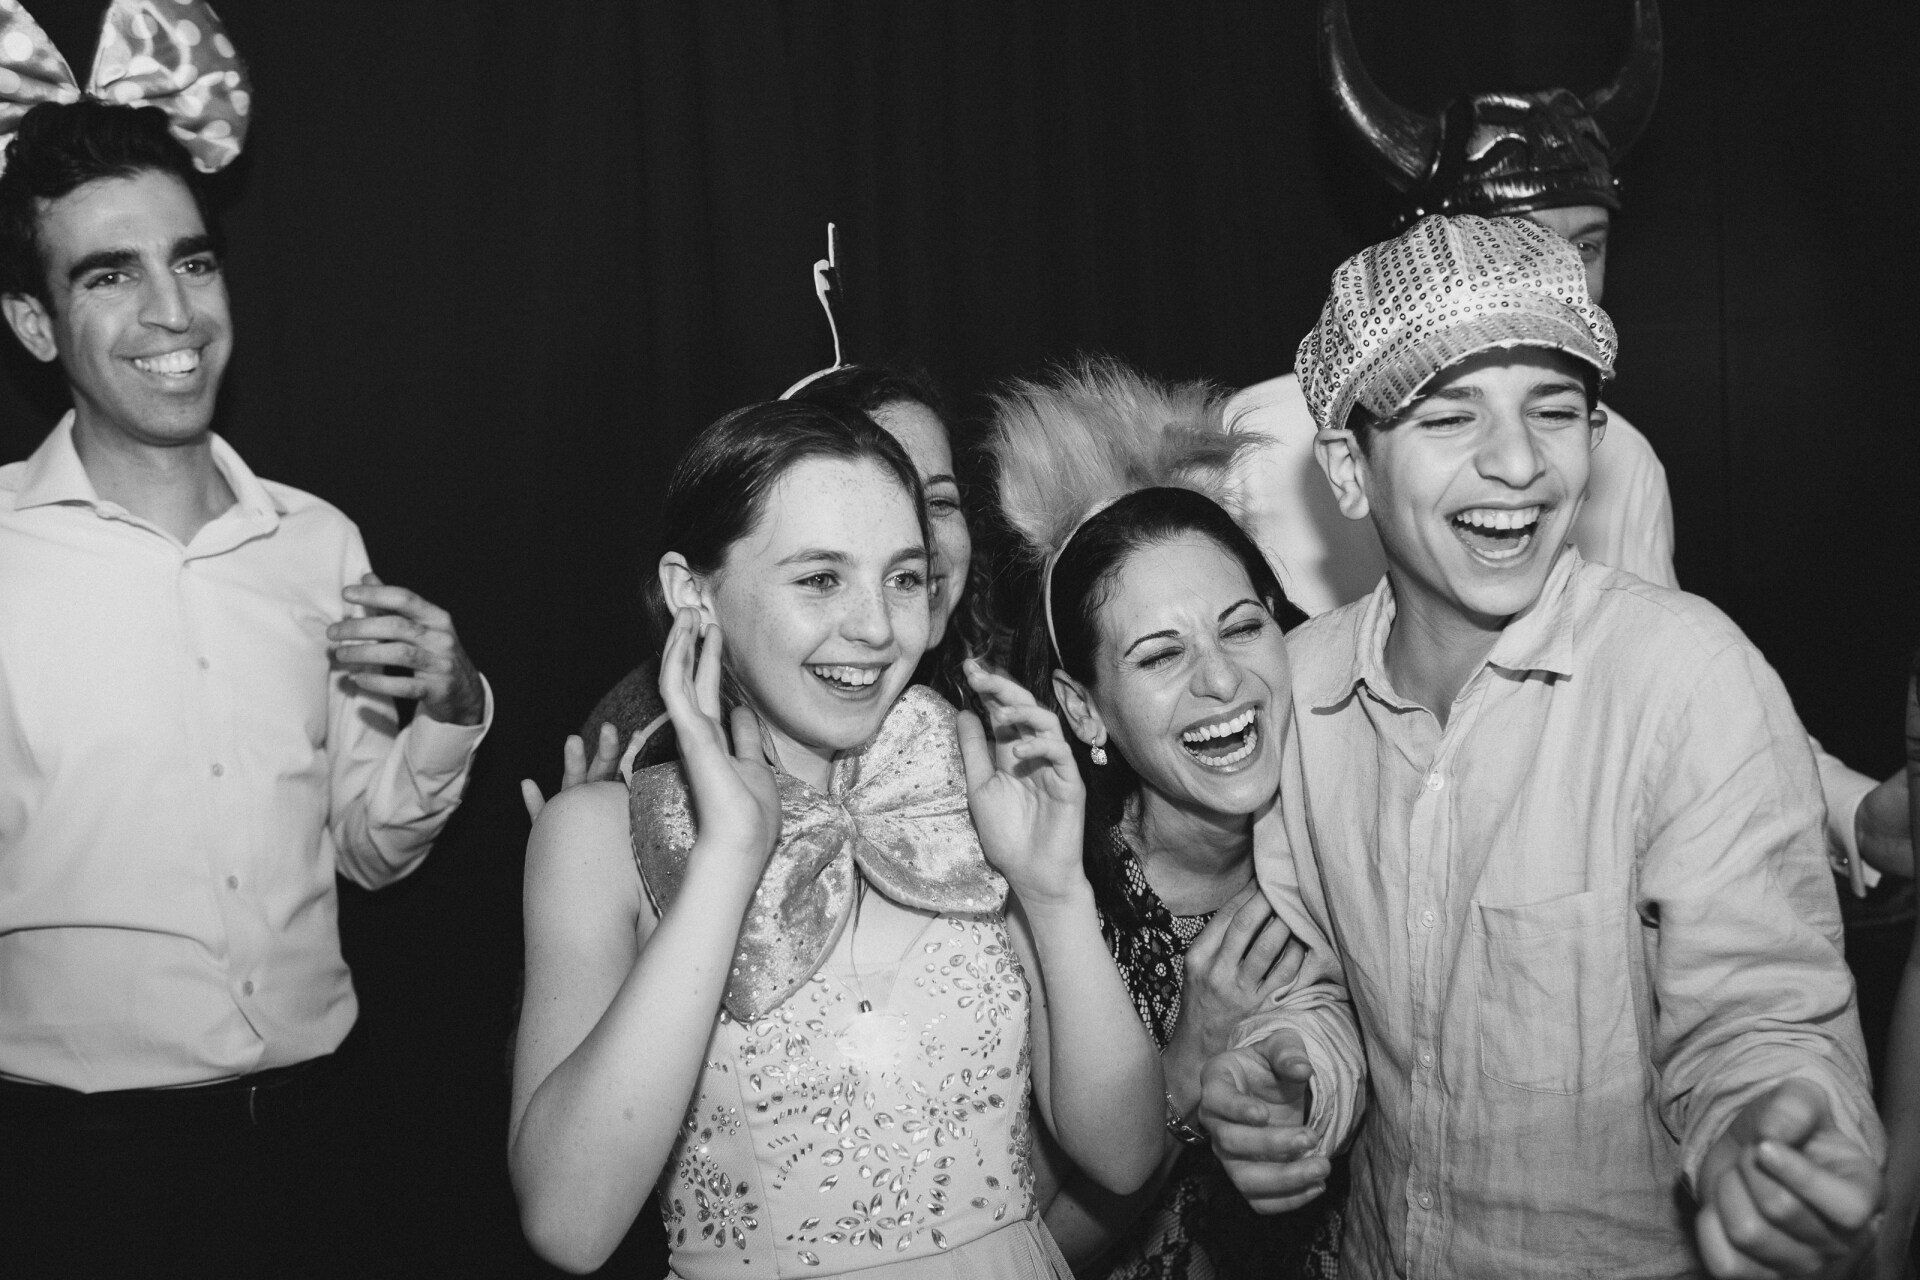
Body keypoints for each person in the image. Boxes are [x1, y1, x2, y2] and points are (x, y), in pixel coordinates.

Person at [1201, 214, 1881, 1278]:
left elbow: (1762, 1015)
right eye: (1450, 414)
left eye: (1553, 410)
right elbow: (1323, 980)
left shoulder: (1688, 680)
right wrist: (1293, 1073)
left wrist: (1768, 1135)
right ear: (1347, 467)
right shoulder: (1298, 690)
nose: (1516, 461)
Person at [0, 8, 490, 1276]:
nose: (172, 312)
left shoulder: (319, 543)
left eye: (194, 261)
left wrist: (451, 701)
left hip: (328, 1137)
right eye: (109, 274)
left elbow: (370, 852)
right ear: (37, 324)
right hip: (69, 1168)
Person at [1227, 0, 1911, 883]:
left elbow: (1663, 691)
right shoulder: (1253, 449)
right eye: (1514, 249)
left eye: (1585, 247)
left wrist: (1856, 811)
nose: (1558, 286)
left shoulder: (1614, 454)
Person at [510, 398, 1163, 1275]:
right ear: (691, 592)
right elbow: (568, 1225)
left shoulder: (971, 788)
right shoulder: (595, 836)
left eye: (902, 577)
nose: (877, 627)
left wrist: (1054, 894)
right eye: (820, 578)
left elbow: (1124, 1155)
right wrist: (727, 862)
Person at [987, 358, 1352, 1280]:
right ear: (1082, 711)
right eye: (1160, 654)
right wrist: (1187, 1059)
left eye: (1240, 627)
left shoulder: (1351, 847)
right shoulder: (1047, 919)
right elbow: (1027, 1251)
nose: (1222, 681)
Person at [522, 362, 988, 818]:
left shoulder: (998, 732)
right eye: (821, 578)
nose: (924, 539)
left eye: (940, 502)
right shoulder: (646, 749)